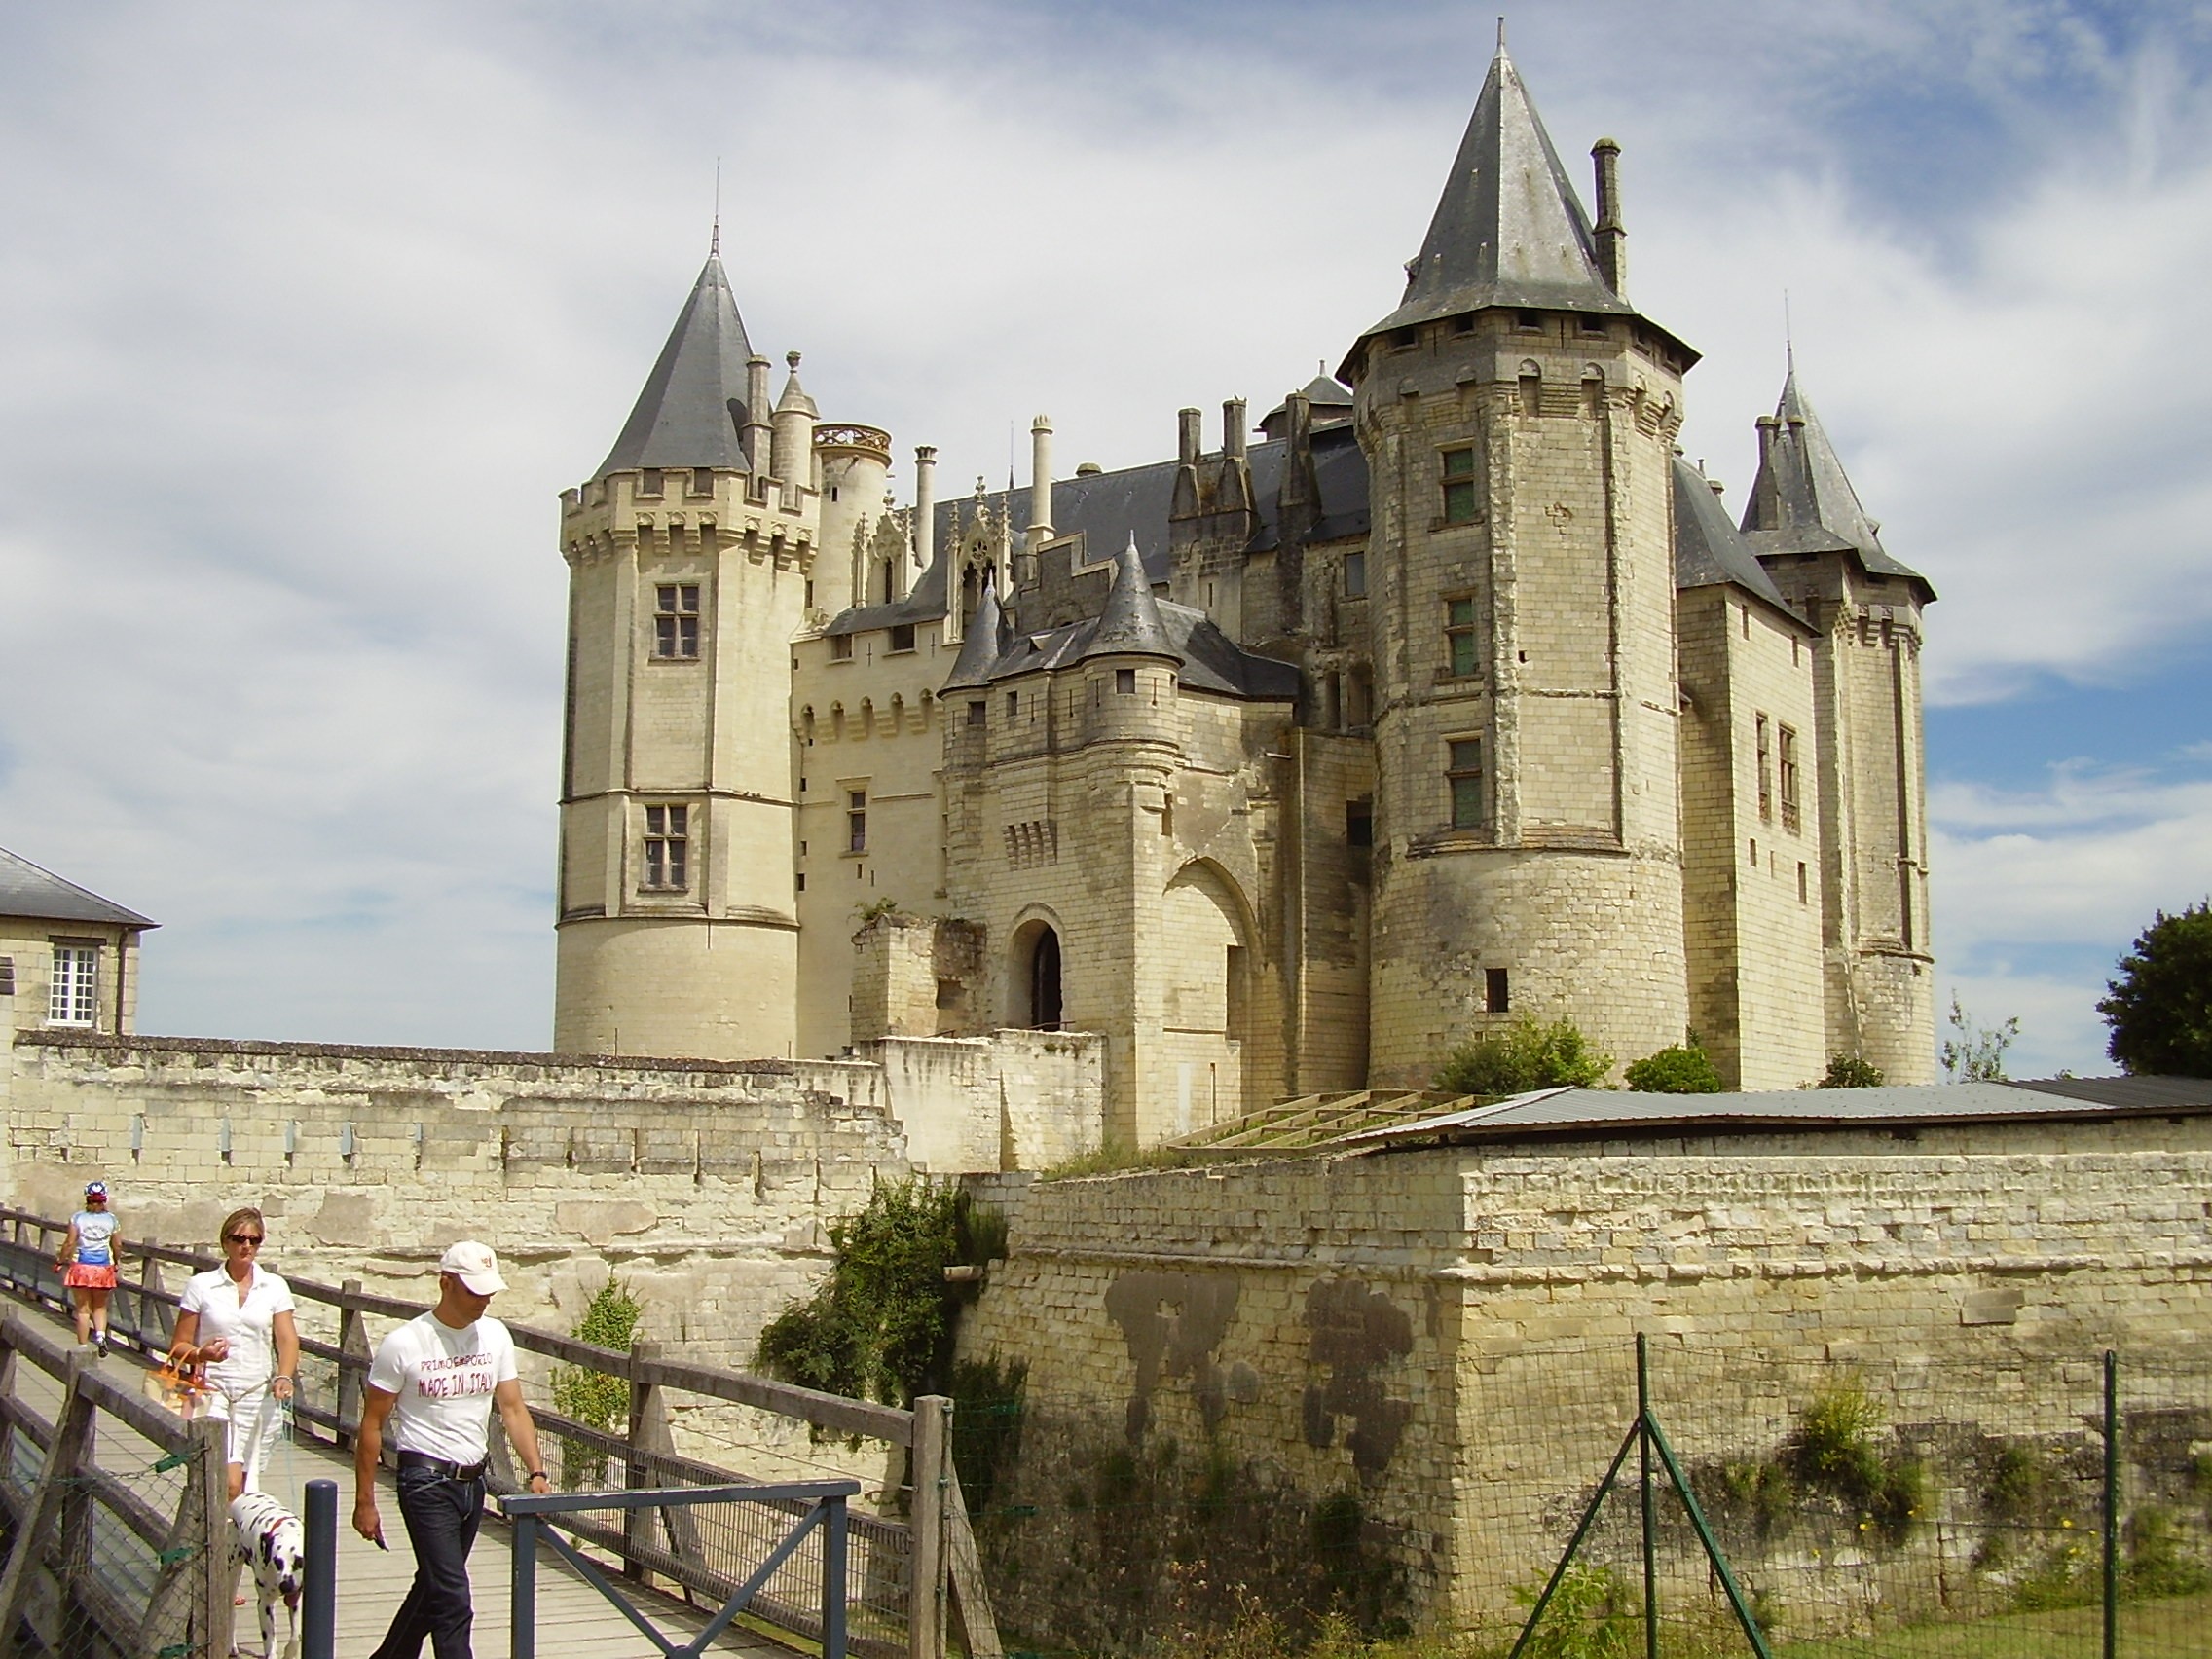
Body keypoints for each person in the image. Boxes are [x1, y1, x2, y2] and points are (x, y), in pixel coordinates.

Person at [353, 1240, 550, 1659]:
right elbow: (371, 1424)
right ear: (446, 1283)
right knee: (454, 1598)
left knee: (433, 1587)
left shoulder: (495, 1335)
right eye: (474, 1291)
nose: (484, 1301)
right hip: (424, 1479)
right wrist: (365, 1501)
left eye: (489, 1292)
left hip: (472, 1481)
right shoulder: (405, 1343)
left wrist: (536, 1470)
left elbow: (512, 1408)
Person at [168, 1206, 301, 1499]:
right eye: (239, 1238)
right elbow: (179, 1346)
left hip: (255, 1393)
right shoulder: (201, 1286)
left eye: (254, 1240)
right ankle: (214, 1537)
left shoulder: (274, 1286)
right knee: (226, 1480)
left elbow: (287, 1338)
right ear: (225, 1242)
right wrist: (202, 1354)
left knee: (244, 1484)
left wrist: (284, 1376)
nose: (246, 1246)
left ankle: (222, 1538)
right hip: (211, 1390)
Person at [55, 1179, 122, 1351]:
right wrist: (116, 1261)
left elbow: (70, 1243)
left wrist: (60, 1261)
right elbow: (117, 1245)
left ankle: (83, 1346)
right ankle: (100, 1336)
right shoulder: (112, 1220)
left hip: (81, 1267)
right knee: (100, 1307)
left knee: (83, 1310)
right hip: (103, 1268)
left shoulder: (77, 1218)